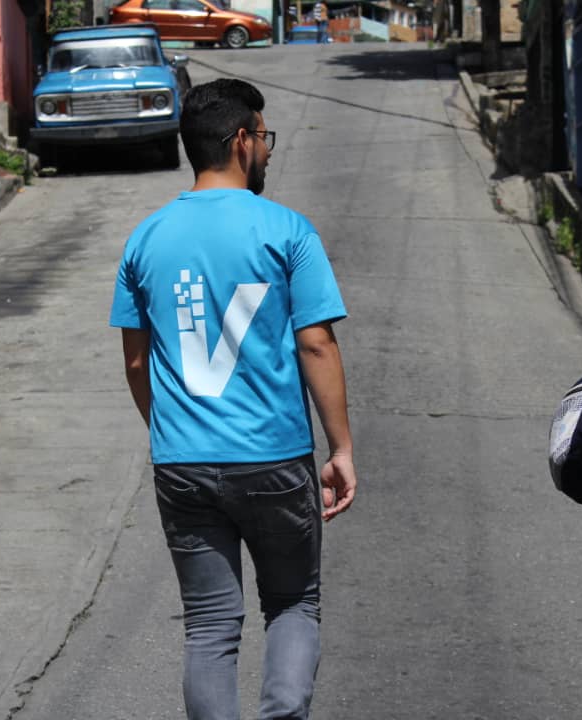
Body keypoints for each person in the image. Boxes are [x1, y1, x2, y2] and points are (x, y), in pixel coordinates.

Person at [109, 78, 357, 720]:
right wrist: (341, 448)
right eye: (264, 137)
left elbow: (137, 360)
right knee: (293, 604)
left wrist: (170, 430)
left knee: (210, 626)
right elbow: (317, 347)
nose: (268, 151)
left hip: (182, 462)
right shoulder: (287, 231)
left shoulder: (145, 238)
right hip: (273, 457)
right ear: (242, 140)